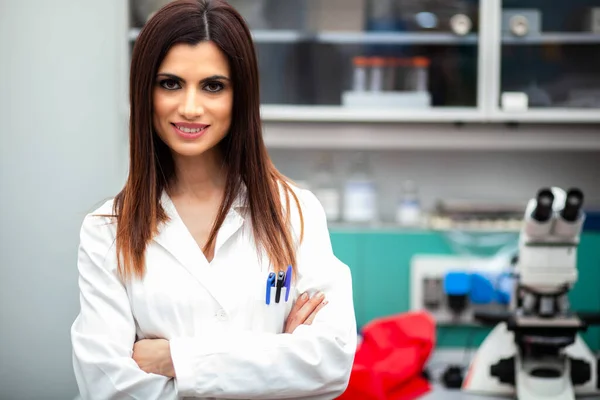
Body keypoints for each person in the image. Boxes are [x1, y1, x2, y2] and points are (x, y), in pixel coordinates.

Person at [70, 0, 357, 399]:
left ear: (241, 96)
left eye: (213, 86)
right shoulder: (107, 230)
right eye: (170, 83)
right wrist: (276, 355)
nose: (190, 107)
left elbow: (330, 362)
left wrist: (177, 360)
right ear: (145, 92)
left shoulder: (295, 211)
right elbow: (109, 388)